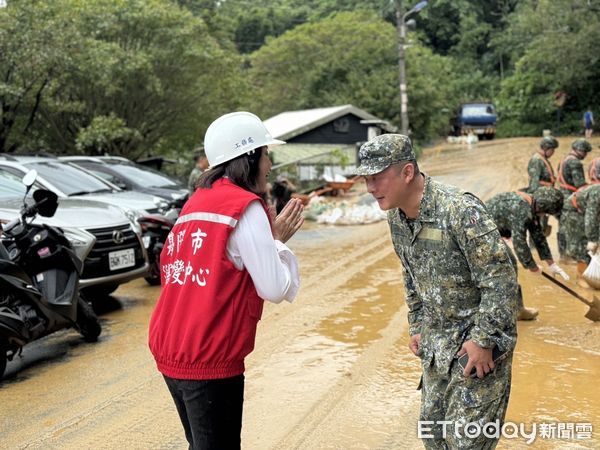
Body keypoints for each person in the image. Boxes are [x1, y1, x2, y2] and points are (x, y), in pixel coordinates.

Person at [148, 111, 305, 449]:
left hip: (171, 346)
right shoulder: (244, 207)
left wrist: (269, 241)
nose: (269, 165)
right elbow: (273, 287)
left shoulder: (197, 202)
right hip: (208, 356)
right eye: (266, 155)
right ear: (249, 157)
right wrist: (276, 242)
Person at [356, 134, 518, 449]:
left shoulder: (458, 208)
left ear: (406, 172)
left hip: (477, 350)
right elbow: (410, 272)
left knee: (466, 444)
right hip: (436, 348)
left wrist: (483, 340)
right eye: (366, 179)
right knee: (434, 439)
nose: (369, 188)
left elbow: (500, 277)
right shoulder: (397, 217)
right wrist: (417, 325)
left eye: (377, 178)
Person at [486, 187, 568, 320]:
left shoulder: (532, 205)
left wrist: (551, 263)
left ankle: (516, 309)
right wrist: (532, 266)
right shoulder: (521, 209)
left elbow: (538, 236)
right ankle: (515, 310)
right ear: (541, 206)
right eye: (545, 213)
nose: (544, 216)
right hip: (483, 232)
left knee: (509, 263)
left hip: (493, 231)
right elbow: (519, 242)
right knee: (509, 263)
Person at [556, 138, 592, 258]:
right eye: (585, 152)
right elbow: (580, 184)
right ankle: (574, 256)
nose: (585, 155)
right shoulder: (575, 162)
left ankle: (562, 255)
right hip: (572, 198)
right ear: (580, 150)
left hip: (562, 196)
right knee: (574, 229)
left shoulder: (563, 160)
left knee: (562, 226)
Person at [561, 183, 600, 284]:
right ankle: (581, 278)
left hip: (588, 213)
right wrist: (593, 239)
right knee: (583, 246)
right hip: (574, 210)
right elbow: (591, 218)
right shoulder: (597, 193)